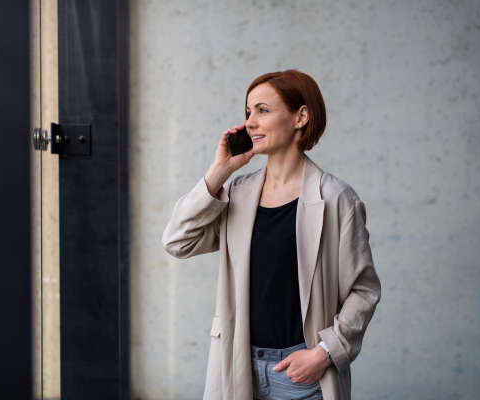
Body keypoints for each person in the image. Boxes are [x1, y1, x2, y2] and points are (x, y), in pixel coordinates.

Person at [162, 69, 381, 400]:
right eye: (248, 112)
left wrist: (324, 353)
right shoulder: (236, 192)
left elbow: (363, 290)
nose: (250, 122)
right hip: (237, 365)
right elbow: (178, 241)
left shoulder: (336, 198)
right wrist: (220, 172)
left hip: (301, 373)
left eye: (262, 110)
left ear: (300, 117)